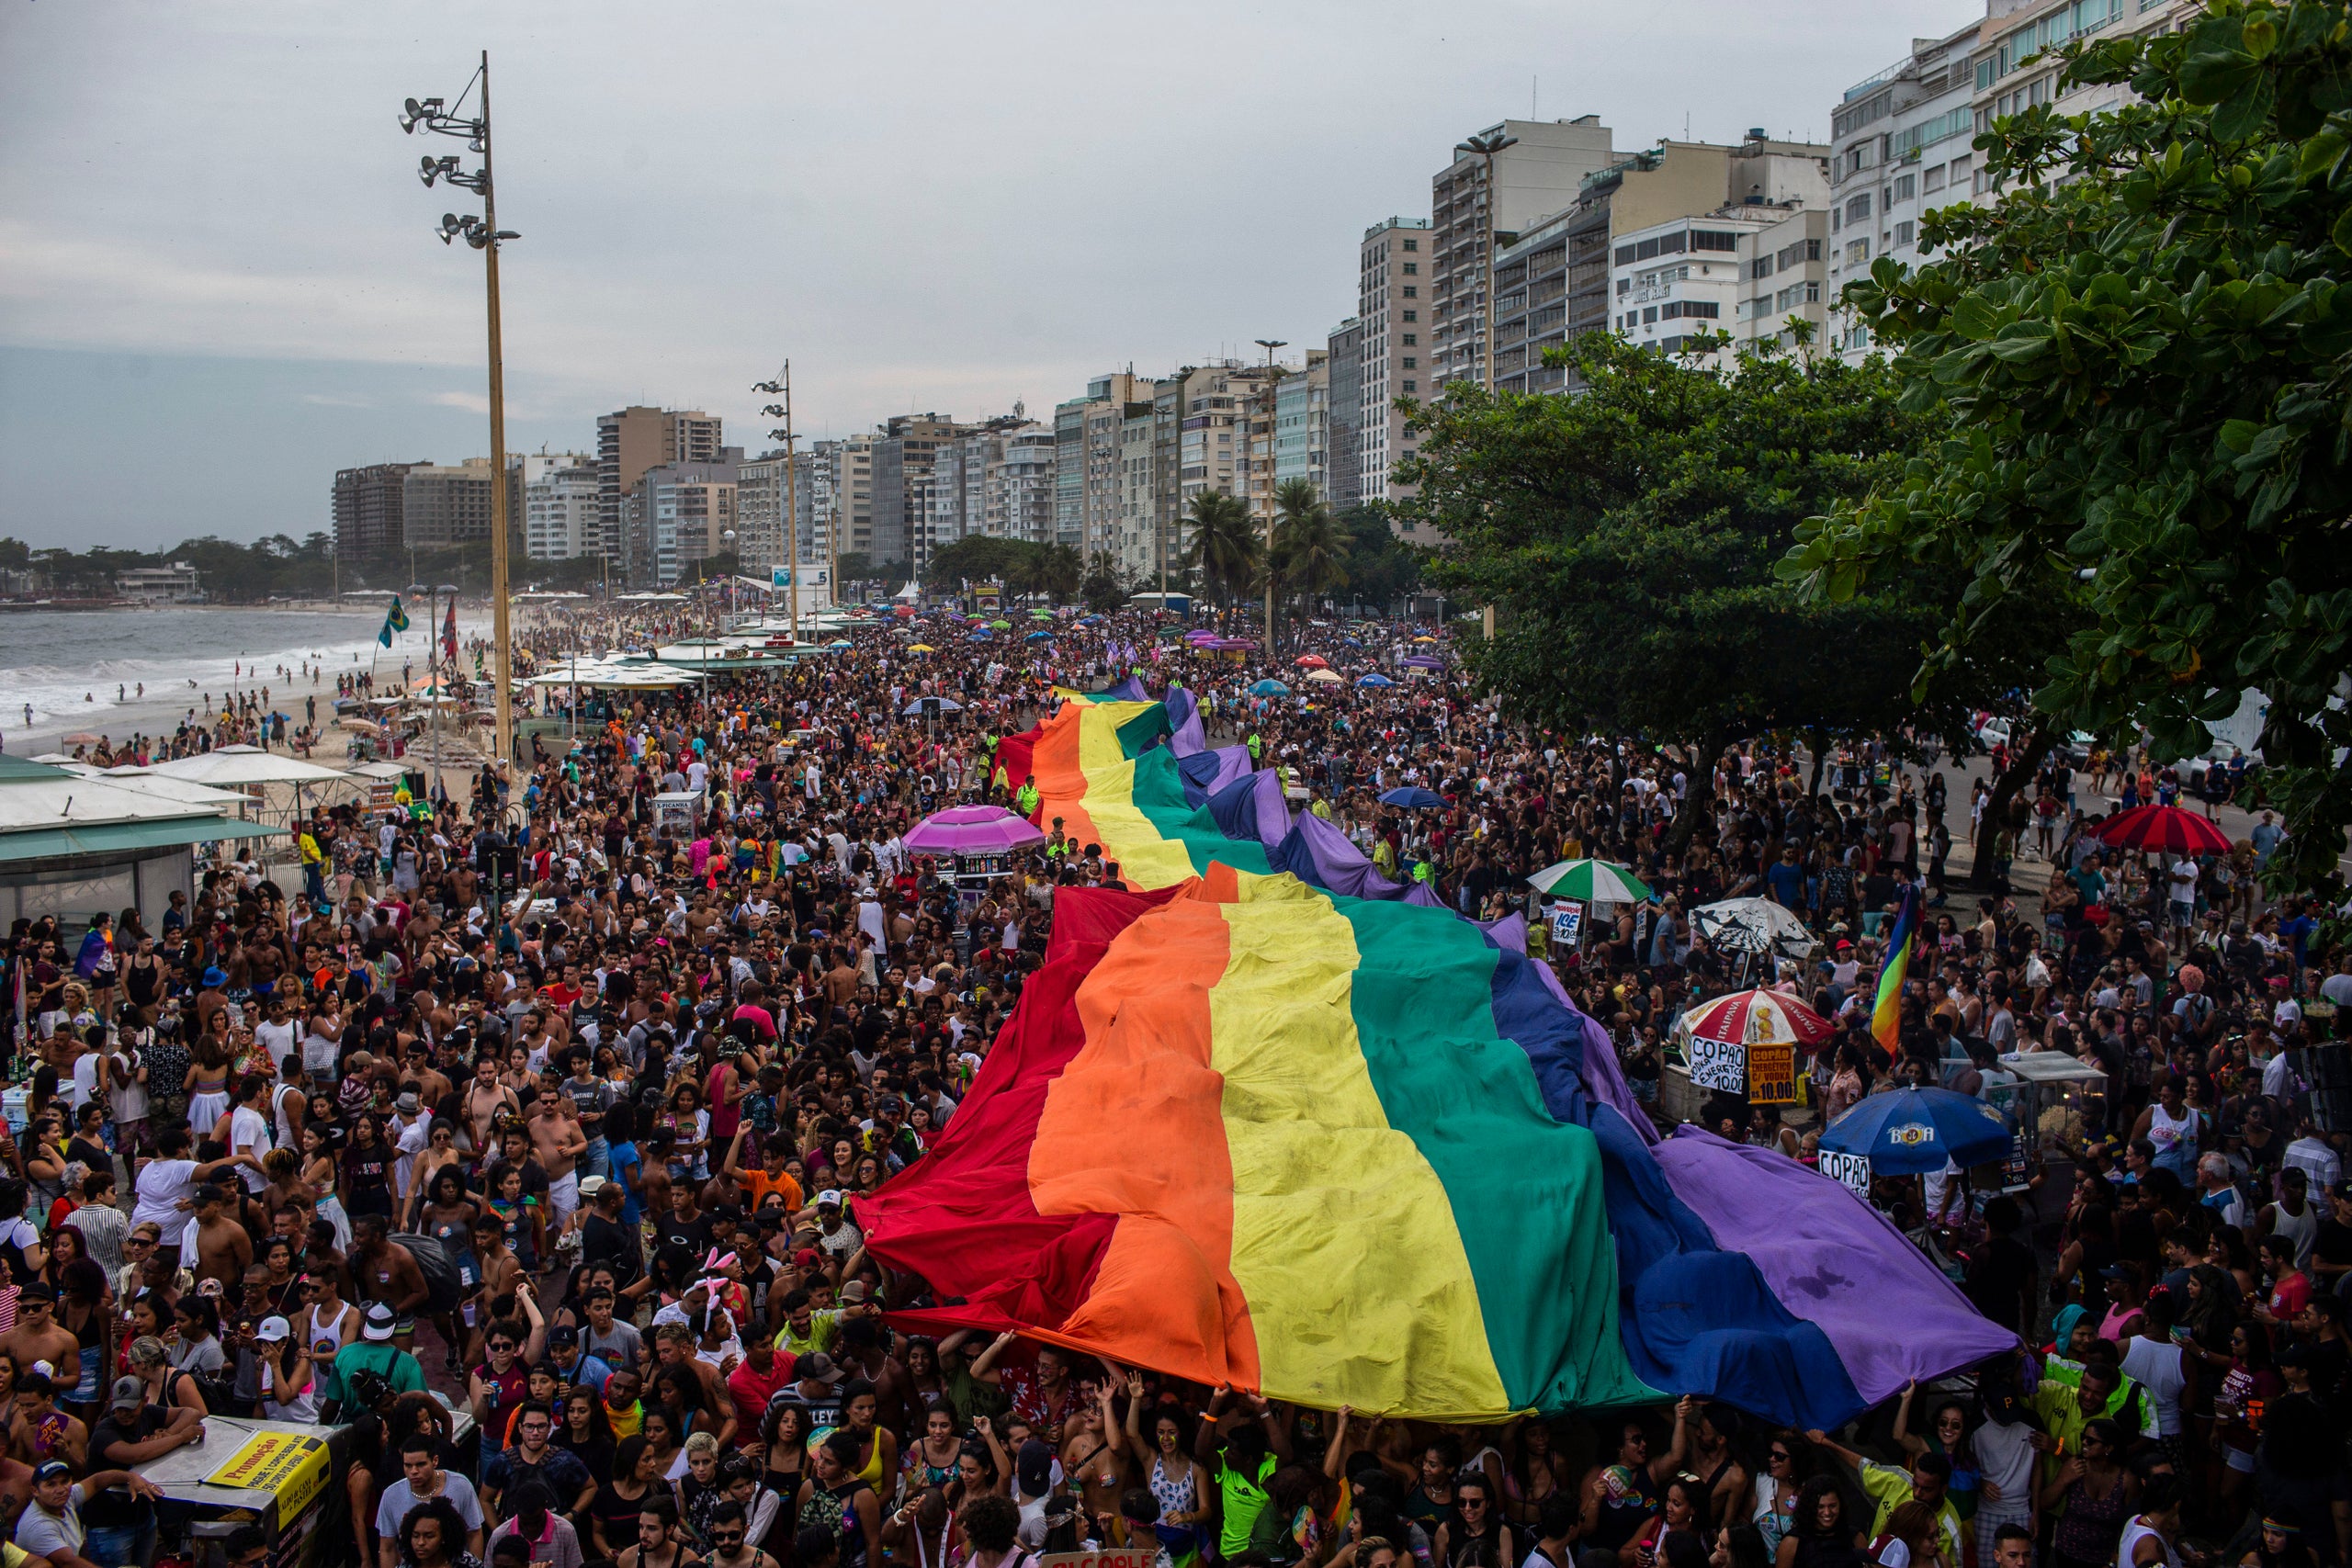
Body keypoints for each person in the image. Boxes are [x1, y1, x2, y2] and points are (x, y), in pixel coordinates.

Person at [17, 1459, 164, 1568]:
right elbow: (68, 1562)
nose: (60, 1489)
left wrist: (130, 1477)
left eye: (64, 1481)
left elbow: (96, 1481)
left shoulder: (66, 1497)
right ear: (35, 1491)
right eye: (51, 1484)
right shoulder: (39, 1526)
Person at [379, 1433, 490, 1568]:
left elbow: (474, 1534)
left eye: (420, 1464)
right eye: (408, 1465)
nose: (414, 1471)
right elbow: (387, 1548)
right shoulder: (391, 1495)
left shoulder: (461, 1486)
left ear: (435, 1461)